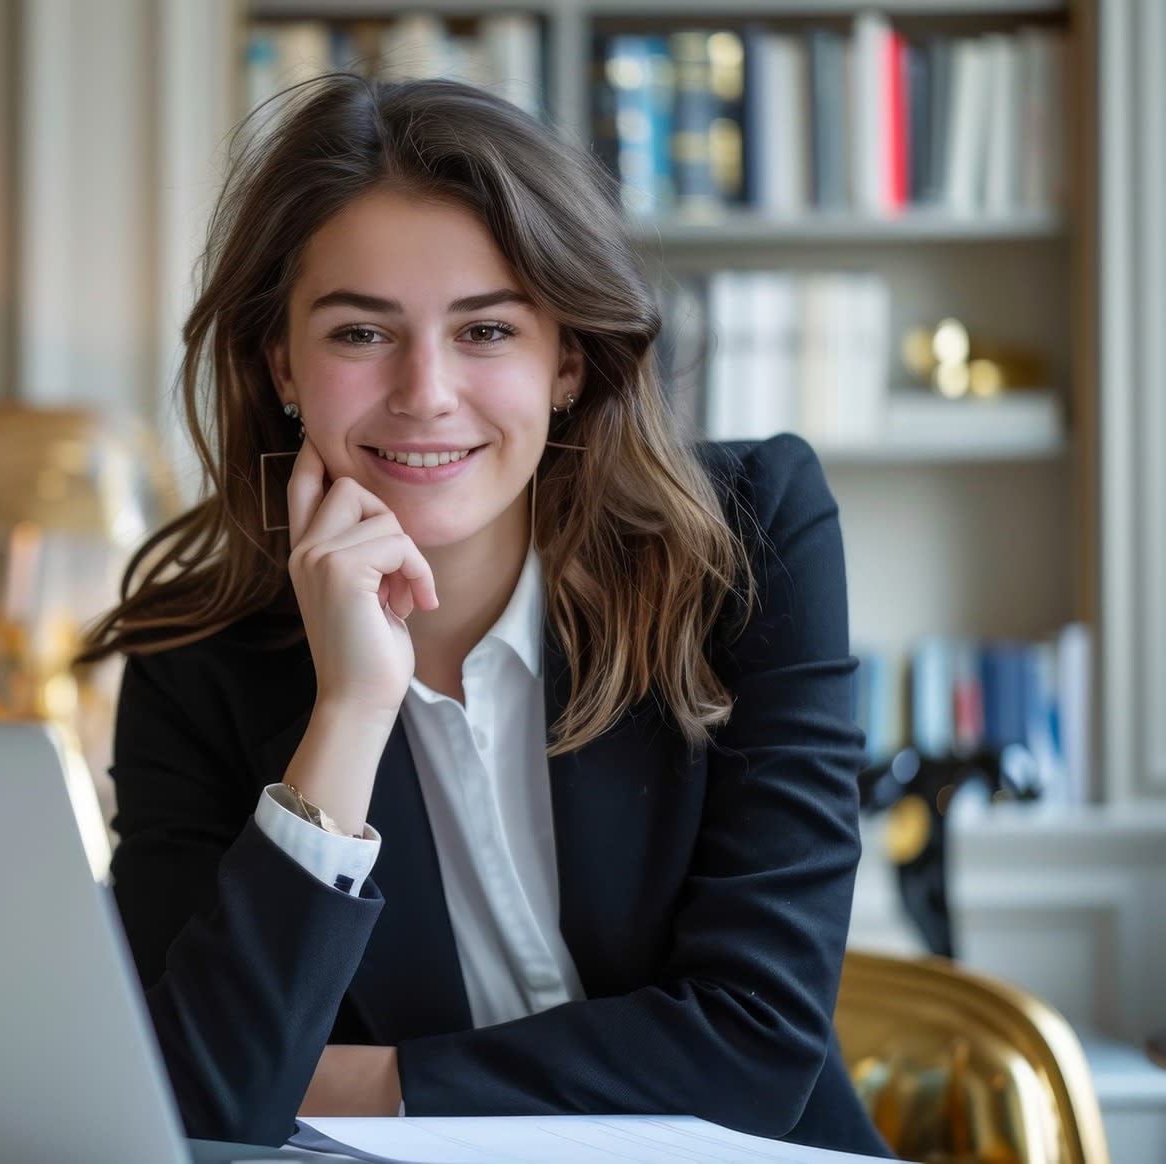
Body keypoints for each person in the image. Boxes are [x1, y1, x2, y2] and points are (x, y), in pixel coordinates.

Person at [76, 73, 892, 1158]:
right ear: (282, 363)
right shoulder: (194, 658)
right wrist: (352, 714)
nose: (425, 391)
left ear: (568, 359)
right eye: (361, 334)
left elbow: (753, 1046)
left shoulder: (746, 543)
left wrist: (369, 1082)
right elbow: (206, 1107)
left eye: (487, 331)